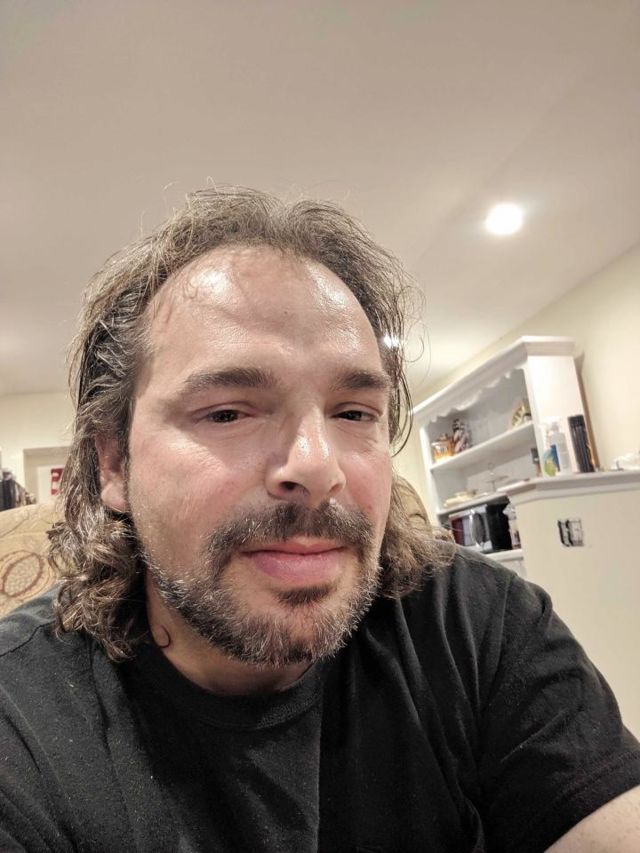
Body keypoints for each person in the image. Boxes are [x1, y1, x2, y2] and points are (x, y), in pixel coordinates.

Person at [0, 187, 638, 853]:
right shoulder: (20, 719)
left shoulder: (479, 625)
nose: (316, 465)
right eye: (227, 412)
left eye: (354, 413)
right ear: (113, 463)